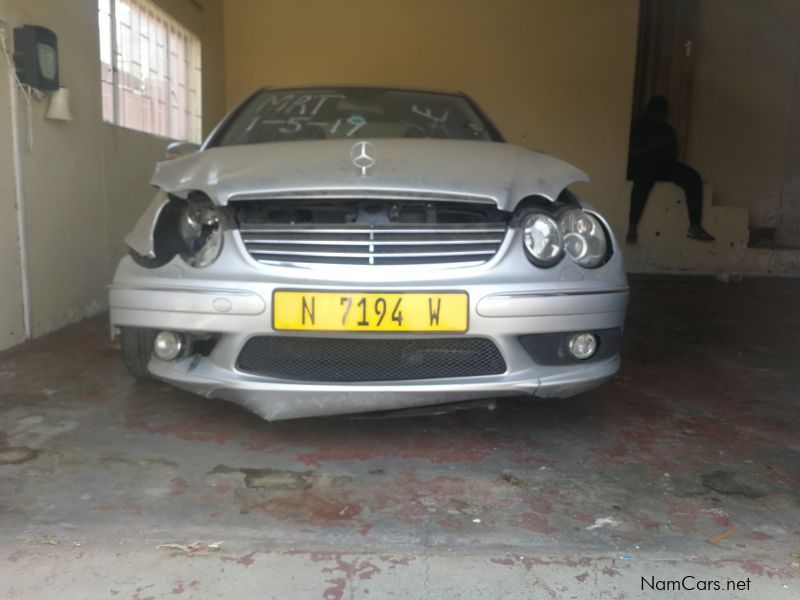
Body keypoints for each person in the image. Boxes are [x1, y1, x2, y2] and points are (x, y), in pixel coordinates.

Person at [626, 96, 714, 243]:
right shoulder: (638, 126)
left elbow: (674, 154)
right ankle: (632, 226)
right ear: (649, 111)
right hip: (642, 166)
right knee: (642, 181)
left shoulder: (666, 129)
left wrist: (665, 147)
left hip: (663, 166)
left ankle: (695, 226)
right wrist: (653, 145)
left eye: (661, 114)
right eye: (656, 112)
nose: (658, 116)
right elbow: (632, 153)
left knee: (693, 177)